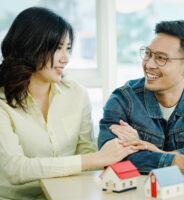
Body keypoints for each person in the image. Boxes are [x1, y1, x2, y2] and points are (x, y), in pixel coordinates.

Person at [0, 7, 136, 199]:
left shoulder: (76, 93)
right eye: (57, 48)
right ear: (30, 46)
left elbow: (87, 154)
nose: (66, 58)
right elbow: (16, 169)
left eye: (68, 48)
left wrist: (120, 144)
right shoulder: (2, 103)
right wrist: (95, 158)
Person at [98, 20, 184, 176]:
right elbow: (109, 157)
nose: (149, 64)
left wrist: (159, 153)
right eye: (148, 54)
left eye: (161, 58)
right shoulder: (123, 100)